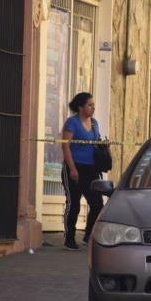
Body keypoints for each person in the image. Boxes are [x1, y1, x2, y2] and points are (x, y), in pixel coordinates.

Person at [61, 92, 104, 250]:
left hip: (91, 169)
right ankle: (69, 238)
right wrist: (72, 168)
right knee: (74, 204)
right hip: (74, 166)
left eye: (93, 105)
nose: (93, 108)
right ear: (80, 107)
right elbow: (65, 146)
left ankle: (88, 236)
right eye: (89, 105)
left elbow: (96, 142)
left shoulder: (94, 123)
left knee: (97, 203)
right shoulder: (72, 123)